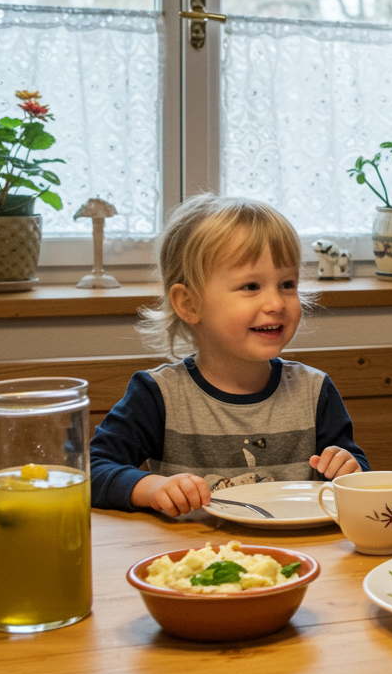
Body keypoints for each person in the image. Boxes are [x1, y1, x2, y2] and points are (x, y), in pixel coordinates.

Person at [90, 194, 369, 515]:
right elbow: (92, 472)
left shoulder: (315, 390)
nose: (276, 303)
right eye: (251, 286)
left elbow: (357, 480)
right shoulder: (157, 395)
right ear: (190, 304)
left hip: (301, 557)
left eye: (287, 284)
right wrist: (151, 487)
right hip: (197, 558)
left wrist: (350, 471)